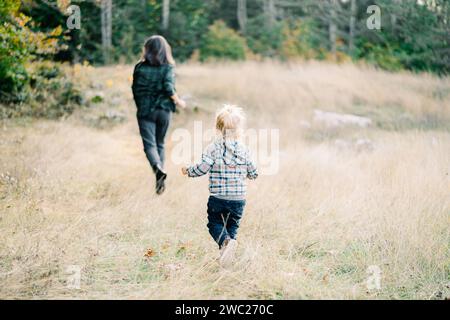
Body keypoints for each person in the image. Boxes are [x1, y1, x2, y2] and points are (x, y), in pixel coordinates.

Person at [181, 105, 258, 267]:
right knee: (232, 226)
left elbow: (202, 169)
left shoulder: (213, 148)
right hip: (238, 199)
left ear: (218, 127)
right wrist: (250, 175)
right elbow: (253, 171)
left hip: (218, 198)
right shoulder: (244, 150)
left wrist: (188, 170)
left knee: (215, 223)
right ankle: (227, 254)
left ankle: (225, 244)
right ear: (239, 129)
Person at [132, 35, 186, 194]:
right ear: (164, 50)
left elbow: (135, 89)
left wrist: (140, 104)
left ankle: (157, 169)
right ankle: (160, 176)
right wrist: (179, 102)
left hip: (145, 111)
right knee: (160, 143)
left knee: (150, 145)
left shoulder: (139, 67)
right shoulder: (168, 67)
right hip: (163, 110)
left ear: (147, 50)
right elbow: (169, 88)